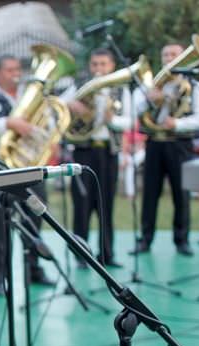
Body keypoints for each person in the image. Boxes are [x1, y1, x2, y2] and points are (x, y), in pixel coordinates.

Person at [0, 54, 56, 292]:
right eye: (9, 70)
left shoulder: (30, 97)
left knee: (35, 221)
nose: (15, 74)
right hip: (1, 172)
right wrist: (8, 123)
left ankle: (34, 269)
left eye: (17, 69)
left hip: (30, 170)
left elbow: (45, 130)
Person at [131, 42, 199, 256]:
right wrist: (150, 101)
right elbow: (136, 111)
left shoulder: (194, 85)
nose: (169, 58)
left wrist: (177, 124)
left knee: (181, 194)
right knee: (150, 194)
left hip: (180, 144)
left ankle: (182, 240)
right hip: (155, 144)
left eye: (174, 54)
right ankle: (145, 239)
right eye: (166, 54)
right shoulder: (151, 84)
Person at [63, 48, 128, 267]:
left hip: (108, 153)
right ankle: (81, 254)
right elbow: (58, 106)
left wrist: (112, 120)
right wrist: (71, 106)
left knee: (106, 204)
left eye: (103, 64)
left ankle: (107, 254)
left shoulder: (120, 89)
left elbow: (129, 122)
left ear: (112, 67)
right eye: (95, 64)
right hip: (83, 151)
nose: (99, 69)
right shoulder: (79, 85)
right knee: (81, 204)